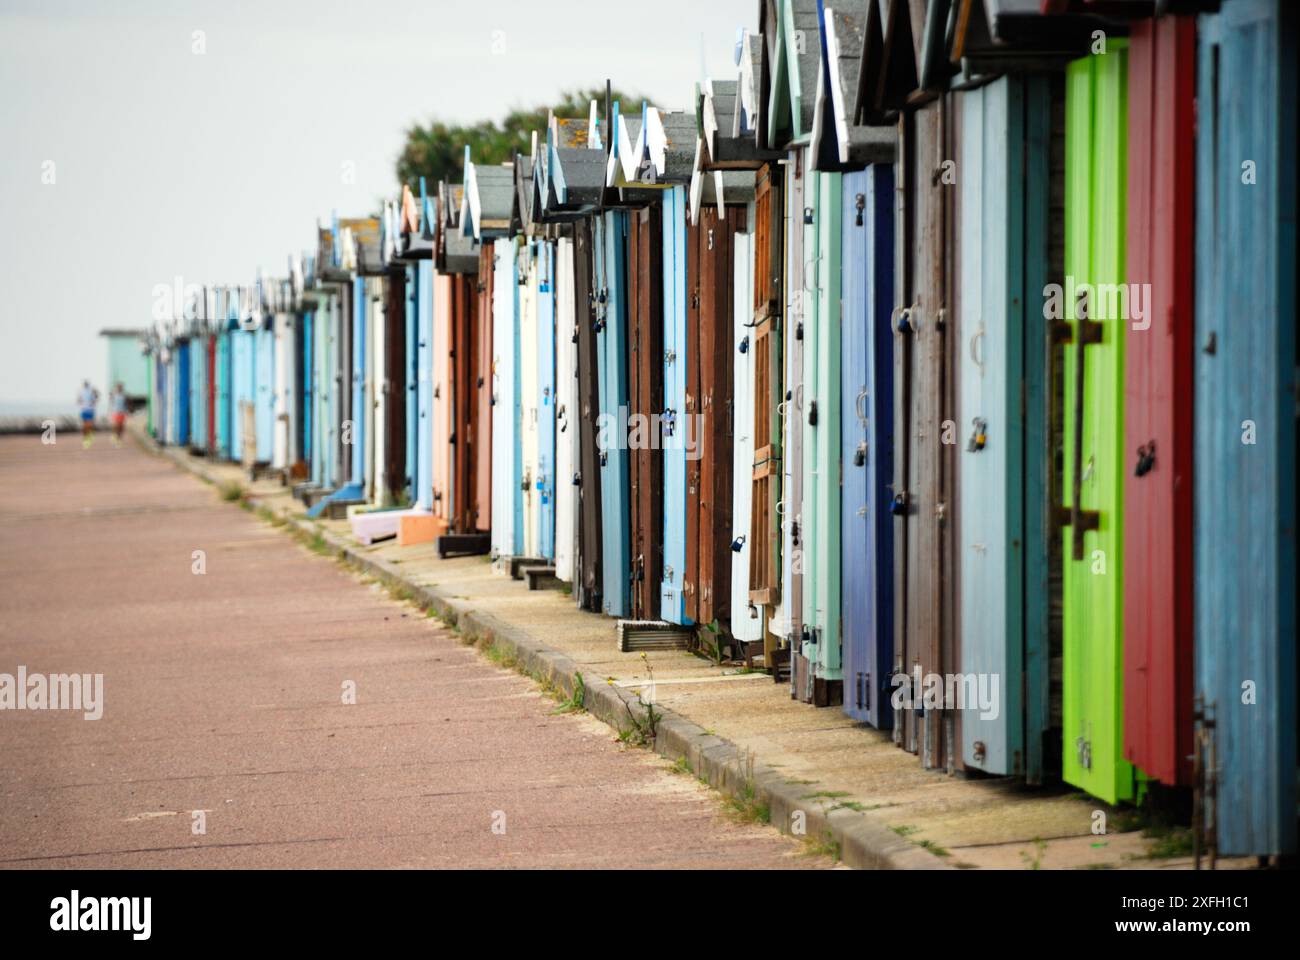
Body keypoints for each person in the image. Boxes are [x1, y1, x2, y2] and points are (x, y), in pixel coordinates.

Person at [77, 380, 99, 449]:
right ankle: (85, 439)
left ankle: (89, 435)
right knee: (84, 426)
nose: (85, 385)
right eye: (85, 384)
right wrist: (80, 402)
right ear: (83, 385)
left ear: (88, 384)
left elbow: (96, 398)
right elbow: (78, 400)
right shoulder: (81, 391)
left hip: (90, 410)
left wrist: (94, 398)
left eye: (86, 384)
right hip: (84, 410)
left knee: (90, 425)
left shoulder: (91, 391)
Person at [109, 382, 128, 446]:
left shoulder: (124, 395)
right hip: (116, 412)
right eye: (118, 387)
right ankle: (115, 437)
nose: (119, 388)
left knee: (121, 426)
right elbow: (111, 399)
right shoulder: (114, 395)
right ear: (117, 388)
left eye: (121, 387)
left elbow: (126, 403)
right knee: (116, 425)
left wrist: (127, 411)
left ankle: (119, 438)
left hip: (122, 412)